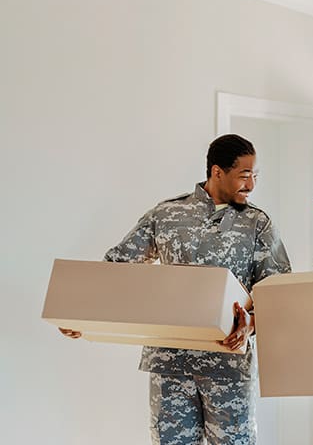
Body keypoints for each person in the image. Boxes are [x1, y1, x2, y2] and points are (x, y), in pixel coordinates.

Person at [60, 133, 291, 445]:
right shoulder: (166, 215)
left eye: (255, 176)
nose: (251, 185)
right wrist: (80, 316)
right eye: (244, 175)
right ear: (217, 172)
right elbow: (116, 267)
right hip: (170, 365)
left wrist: (251, 324)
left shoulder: (257, 223)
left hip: (227, 366)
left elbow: (276, 290)